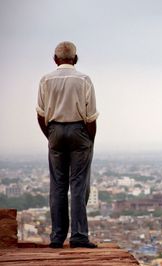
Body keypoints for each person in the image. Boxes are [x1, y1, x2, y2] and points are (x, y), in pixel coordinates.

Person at [36, 41, 99, 249]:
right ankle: (79, 236)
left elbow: (41, 114)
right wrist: (90, 141)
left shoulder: (45, 80)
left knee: (58, 185)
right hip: (79, 131)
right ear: (76, 59)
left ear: (55, 59)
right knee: (78, 185)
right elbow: (91, 117)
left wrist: (51, 136)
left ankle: (57, 236)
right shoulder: (83, 79)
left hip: (54, 131)